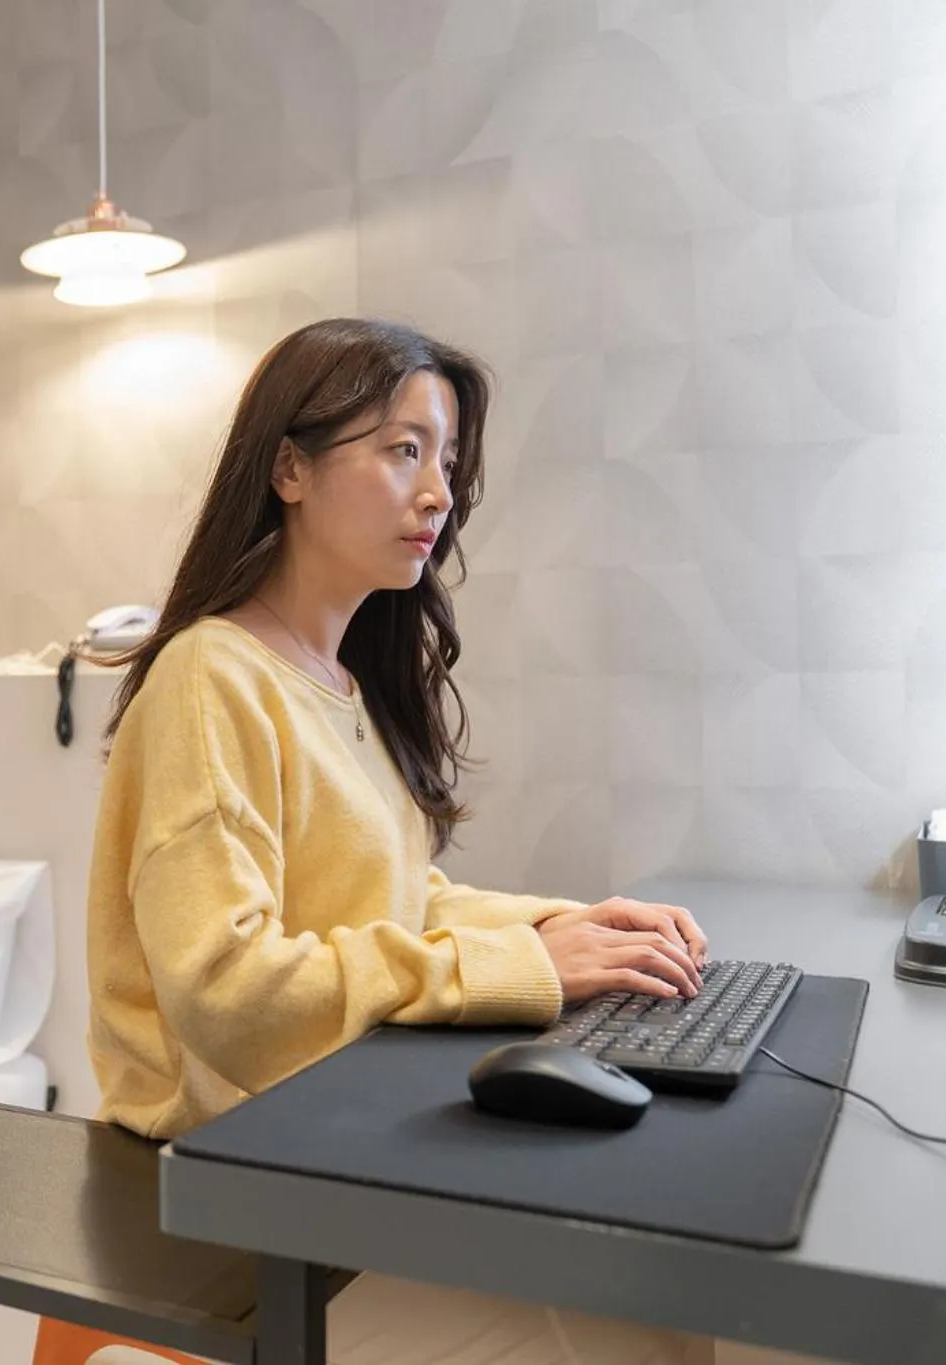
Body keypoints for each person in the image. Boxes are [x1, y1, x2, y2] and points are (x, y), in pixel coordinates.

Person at [71, 318, 812, 1365]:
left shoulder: (337, 684)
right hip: (236, 1195)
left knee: (689, 1312)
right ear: (287, 467)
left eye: (448, 462)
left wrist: (565, 925)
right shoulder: (211, 679)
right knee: (650, 1338)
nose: (437, 494)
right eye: (400, 450)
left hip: (330, 1151)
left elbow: (399, 898)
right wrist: (519, 967)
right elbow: (227, 990)